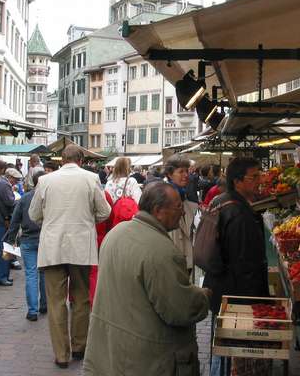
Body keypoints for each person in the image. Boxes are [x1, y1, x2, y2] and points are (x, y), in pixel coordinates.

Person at [84, 183, 211, 375]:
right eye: (178, 207)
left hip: (114, 350)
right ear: (159, 211)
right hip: (147, 358)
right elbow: (179, 309)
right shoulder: (162, 251)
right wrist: (203, 296)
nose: (183, 213)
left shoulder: (116, 234)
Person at [29, 144, 112, 369]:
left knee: (55, 302)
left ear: (61, 159)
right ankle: (79, 346)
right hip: (81, 246)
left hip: (52, 247)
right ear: (81, 160)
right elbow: (105, 211)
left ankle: (61, 354)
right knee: (81, 298)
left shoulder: (45, 181)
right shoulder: (91, 178)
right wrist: (86, 222)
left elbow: (34, 213)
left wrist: (50, 224)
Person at [203, 157, 269, 376]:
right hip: (233, 296)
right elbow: (245, 265)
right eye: (255, 177)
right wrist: (257, 303)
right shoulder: (240, 215)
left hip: (218, 287)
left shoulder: (220, 200)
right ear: (238, 181)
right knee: (227, 353)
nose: (260, 180)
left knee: (219, 349)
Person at [4, 168, 47, 321]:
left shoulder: (25, 198)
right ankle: (44, 304)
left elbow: (15, 220)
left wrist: (10, 238)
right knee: (43, 273)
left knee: (31, 274)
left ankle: (32, 310)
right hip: (45, 240)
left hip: (28, 239)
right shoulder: (49, 198)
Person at [164, 157, 198, 273]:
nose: (186, 175)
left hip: (186, 258)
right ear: (169, 174)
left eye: (186, 171)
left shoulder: (185, 197)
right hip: (171, 259)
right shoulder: (163, 198)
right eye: (181, 172)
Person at [0, 167, 22, 286]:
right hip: (1, 221)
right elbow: (10, 202)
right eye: (15, 179)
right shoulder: (4, 185)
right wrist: (19, 200)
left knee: (2, 249)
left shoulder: (2, 183)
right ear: (10, 177)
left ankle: (3, 275)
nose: (16, 182)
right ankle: (1, 276)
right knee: (2, 250)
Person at [104, 157, 142, 223]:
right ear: (127, 168)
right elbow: (138, 201)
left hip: (113, 218)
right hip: (127, 219)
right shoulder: (131, 181)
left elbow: (106, 202)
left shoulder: (109, 183)